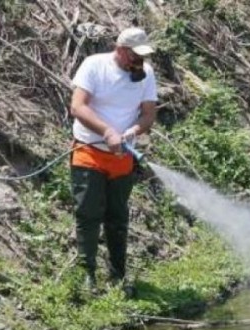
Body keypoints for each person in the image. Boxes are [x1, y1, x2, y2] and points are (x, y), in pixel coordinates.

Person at [69, 27, 158, 296]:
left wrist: (132, 132)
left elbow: (148, 114)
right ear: (120, 49)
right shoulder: (94, 66)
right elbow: (78, 106)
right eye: (135, 56)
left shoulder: (147, 74)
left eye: (142, 56)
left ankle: (118, 275)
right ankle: (87, 275)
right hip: (89, 150)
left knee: (117, 217)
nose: (139, 62)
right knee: (88, 213)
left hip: (122, 157)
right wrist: (107, 132)